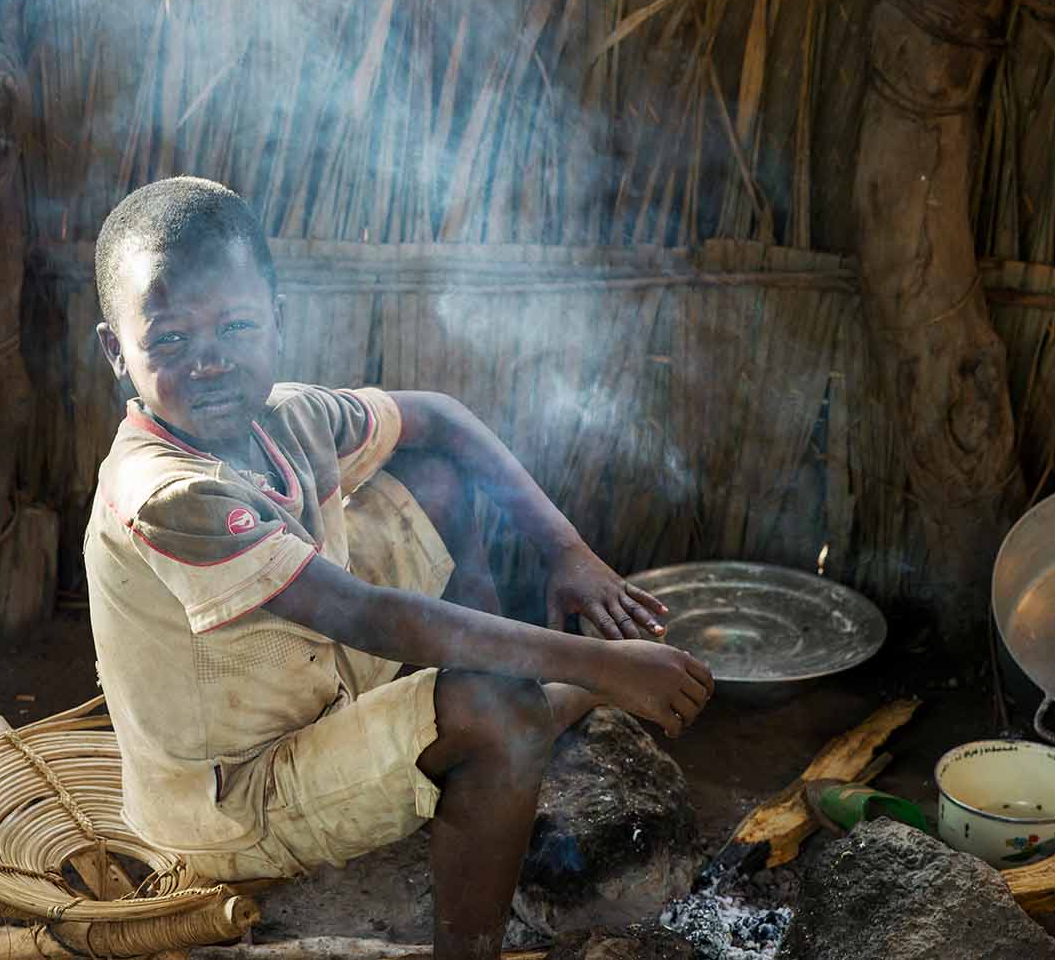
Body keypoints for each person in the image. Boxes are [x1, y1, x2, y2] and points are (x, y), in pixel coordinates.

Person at [84, 177, 713, 960]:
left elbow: (443, 418)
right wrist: (604, 664)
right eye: (170, 340)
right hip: (234, 800)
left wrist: (566, 551)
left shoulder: (287, 416)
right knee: (500, 712)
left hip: (310, 688)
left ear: (278, 318)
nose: (209, 362)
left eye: (237, 325)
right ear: (117, 350)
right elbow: (369, 615)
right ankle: (498, 785)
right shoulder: (168, 493)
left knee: (433, 477)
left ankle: (497, 718)